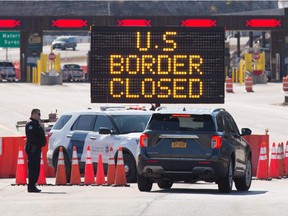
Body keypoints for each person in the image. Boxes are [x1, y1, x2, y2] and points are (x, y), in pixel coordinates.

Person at [25, 109, 47, 193]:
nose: (39, 115)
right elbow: (31, 137)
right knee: (33, 168)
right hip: (33, 149)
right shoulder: (30, 124)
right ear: (33, 114)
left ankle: (33, 185)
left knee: (36, 167)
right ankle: (31, 186)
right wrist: (40, 143)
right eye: (38, 114)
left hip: (36, 148)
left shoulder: (36, 123)